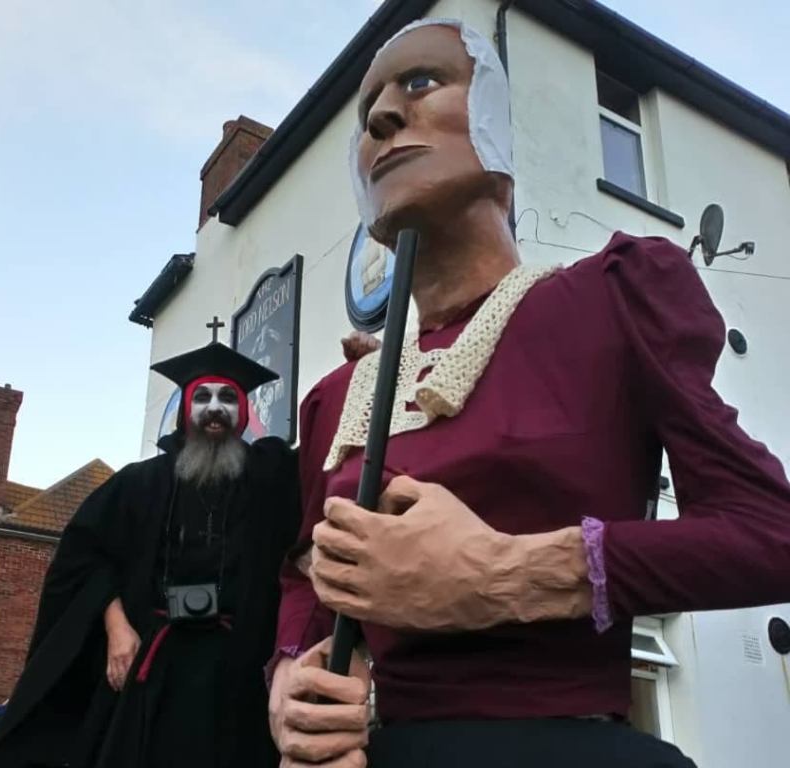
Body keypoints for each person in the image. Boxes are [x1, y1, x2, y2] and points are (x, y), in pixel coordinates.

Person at [268, 18, 790, 768]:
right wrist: (291, 678)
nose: (381, 116)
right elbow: (303, 575)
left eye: (420, 82)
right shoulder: (339, 398)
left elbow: (770, 533)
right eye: (367, 110)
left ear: (492, 124)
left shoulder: (612, 299)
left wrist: (505, 573)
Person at [0, 338, 301, 768]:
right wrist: (116, 626)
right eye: (202, 397)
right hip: (155, 666)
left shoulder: (268, 481)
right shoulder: (140, 483)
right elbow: (85, 558)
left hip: (238, 671)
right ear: (185, 409)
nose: (215, 408)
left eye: (228, 398)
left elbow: (322, 477)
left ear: (243, 412)